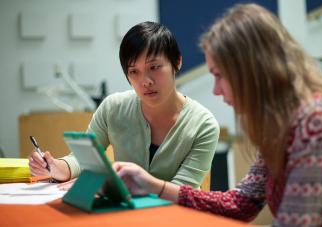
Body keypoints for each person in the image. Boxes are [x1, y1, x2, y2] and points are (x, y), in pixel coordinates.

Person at [112, 4, 322, 227]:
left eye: (219, 75)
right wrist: (152, 185)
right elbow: (240, 203)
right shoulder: (283, 124)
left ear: (252, 71)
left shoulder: (316, 120)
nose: (216, 90)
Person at [28, 21, 220, 188]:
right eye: (134, 71)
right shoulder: (112, 108)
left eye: (154, 67)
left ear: (177, 62)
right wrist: (56, 167)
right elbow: (81, 159)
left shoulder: (203, 125)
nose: (145, 80)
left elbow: (181, 193)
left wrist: (111, 183)